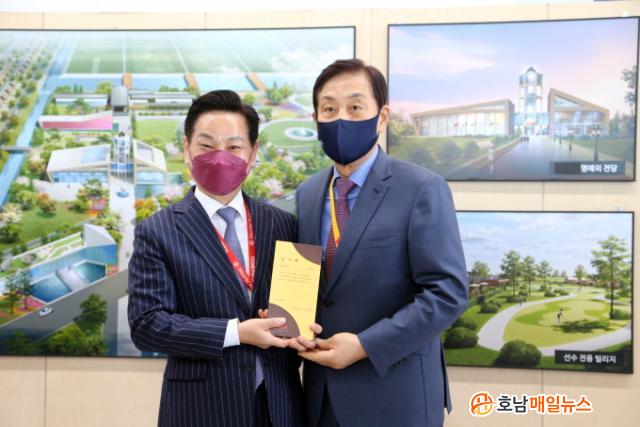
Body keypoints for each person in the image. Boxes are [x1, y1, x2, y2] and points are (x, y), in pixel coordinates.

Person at [293, 59, 468, 427]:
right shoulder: (307, 193)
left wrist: (365, 346)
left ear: (382, 117)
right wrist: (285, 321)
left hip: (394, 395)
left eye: (355, 107)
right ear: (316, 119)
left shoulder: (421, 188)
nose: (341, 119)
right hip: (320, 397)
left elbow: (447, 293)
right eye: (329, 109)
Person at [128, 90, 306, 427]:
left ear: (252, 153)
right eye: (207, 146)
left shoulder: (283, 225)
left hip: (279, 407)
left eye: (234, 147)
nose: (220, 157)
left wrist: (304, 330)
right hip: (202, 409)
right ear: (187, 149)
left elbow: (296, 312)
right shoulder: (158, 231)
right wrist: (236, 332)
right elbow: (147, 326)